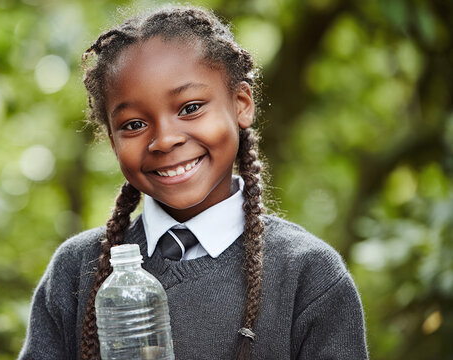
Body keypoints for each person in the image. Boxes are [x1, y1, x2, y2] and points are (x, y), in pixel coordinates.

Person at [19, 5, 368, 360]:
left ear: (241, 104)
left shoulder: (308, 275)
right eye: (134, 125)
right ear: (113, 141)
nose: (165, 139)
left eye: (190, 108)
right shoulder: (77, 270)